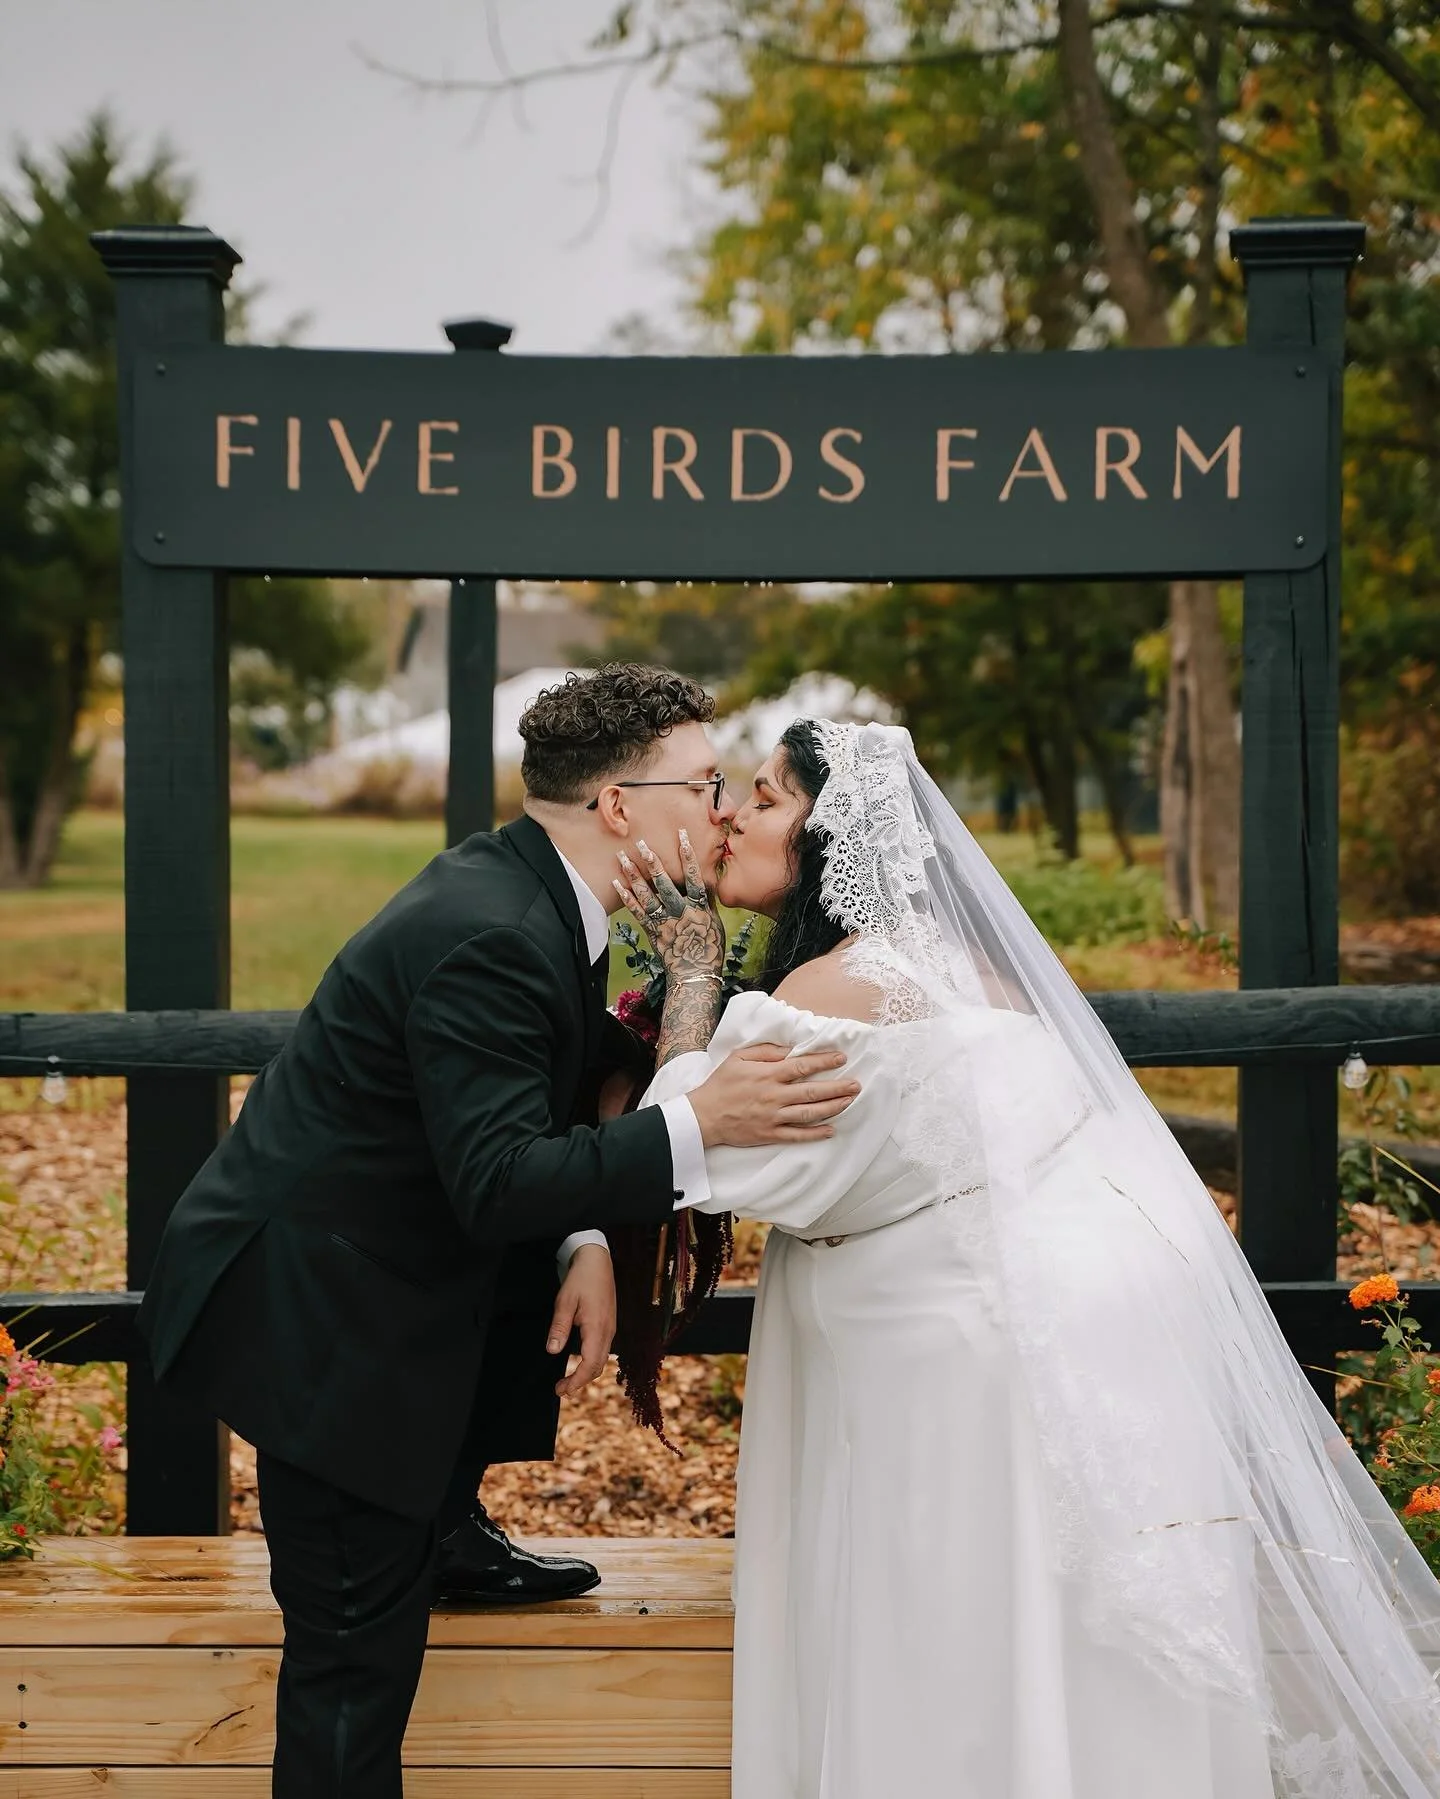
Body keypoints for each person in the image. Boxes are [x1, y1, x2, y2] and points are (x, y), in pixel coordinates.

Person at [617, 717, 1440, 1799]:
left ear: (834, 839)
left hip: (955, 1354)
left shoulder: (840, 988)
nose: (730, 816)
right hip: (1045, 1325)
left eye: (766, 798)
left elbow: (691, 1145)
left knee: (952, 1624)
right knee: (1045, 1625)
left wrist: (690, 977)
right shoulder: (967, 966)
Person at [135, 665, 861, 1799]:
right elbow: (496, 1178)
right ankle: (405, 1543)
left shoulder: (539, 892)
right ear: (618, 804)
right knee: (350, 1673)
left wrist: (584, 1244)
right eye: (705, 784)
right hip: (321, 1320)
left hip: (385, 1262)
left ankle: (444, 1523)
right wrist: (699, 1120)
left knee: (525, 1286)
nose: (722, 810)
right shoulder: (494, 931)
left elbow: (540, 1095)